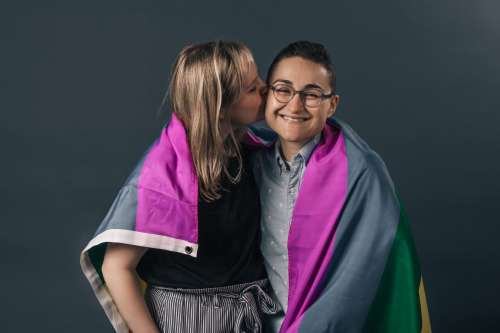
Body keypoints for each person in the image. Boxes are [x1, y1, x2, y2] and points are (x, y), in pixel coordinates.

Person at [80, 40, 278, 333]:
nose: (266, 88)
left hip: (249, 313)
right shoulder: (164, 175)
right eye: (251, 88)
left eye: (259, 78)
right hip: (188, 318)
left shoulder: (254, 150)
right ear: (219, 106)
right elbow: (115, 266)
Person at [249, 41, 432, 333]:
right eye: (283, 89)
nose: (294, 105)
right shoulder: (248, 159)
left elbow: (373, 272)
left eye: (311, 95)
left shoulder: (361, 174)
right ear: (267, 94)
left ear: (331, 105)